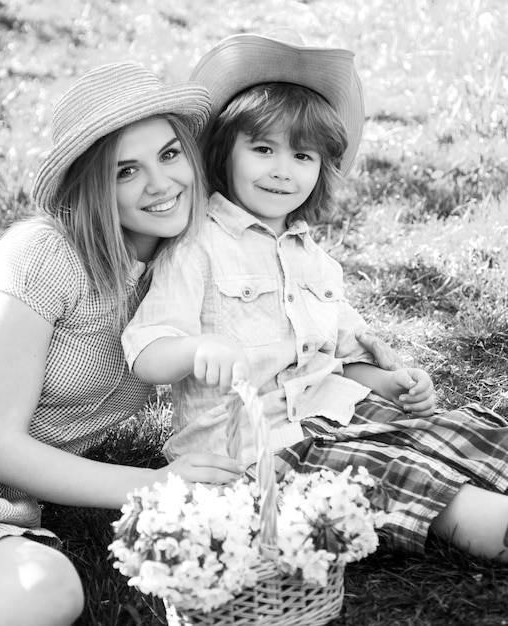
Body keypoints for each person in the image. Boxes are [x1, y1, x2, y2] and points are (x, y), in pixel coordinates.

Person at [121, 33, 508, 564]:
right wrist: (195, 349)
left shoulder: (315, 260)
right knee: (397, 474)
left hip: (339, 410)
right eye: (262, 149)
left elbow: (338, 362)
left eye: (302, 155)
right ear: (222, 153)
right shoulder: (196, 246)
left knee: (464, 433)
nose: (283, 169)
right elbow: (146, 350)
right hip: (258, 447)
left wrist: (391, 382)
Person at [0, 62, 248, 626]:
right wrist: (155, 484)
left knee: (49, 592)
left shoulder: (188, 270)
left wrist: (365, 356)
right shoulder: (46, 255)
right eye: (126, 171)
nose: (161, 184)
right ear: (93, 183)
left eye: (170, 155)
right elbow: (0, 443)